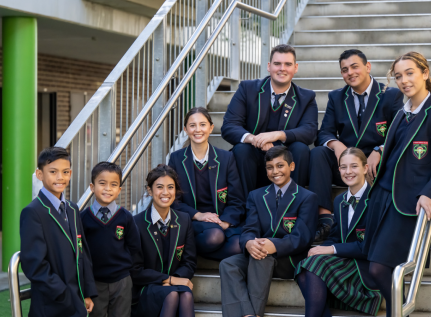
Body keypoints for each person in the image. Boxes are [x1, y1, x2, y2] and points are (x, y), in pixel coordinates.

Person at [363, 52, 431, 317]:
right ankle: (398, 312)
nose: (404, 80)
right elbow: (397, 146)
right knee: (375, 269)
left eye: (410, 73)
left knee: (380, 269)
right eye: (398, 76)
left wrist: (429, 193)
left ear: (425, 73)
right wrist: (378, 148)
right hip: (382, 198)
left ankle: (397, 312)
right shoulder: (402, 113)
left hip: (407, 202)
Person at [310, 49, 404, 242]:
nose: (350, 73)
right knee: (318, 153)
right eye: (344, 70)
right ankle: (325, 218)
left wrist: (380, 150)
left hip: (375, 165)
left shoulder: (391, 95)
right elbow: (324, 132)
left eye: (354, 67)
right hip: (345, 162)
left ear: (367, 67)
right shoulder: (336, 97)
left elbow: (400, 133)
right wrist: (336, 145)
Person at [219, 146, 318, 317]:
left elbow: (302, 237)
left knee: (261, 257)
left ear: (292, 166)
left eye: (280, 166)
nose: (275, 171)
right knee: (228, 264)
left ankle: (256, 313)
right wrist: (249, 242)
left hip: (288, 258)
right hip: (260, 252)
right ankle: (248, 315)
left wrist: (274, 245)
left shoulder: (307, 197)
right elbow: (249, 229)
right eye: (270, 167)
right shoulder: (256, 196)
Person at [221, 44, 318, 197]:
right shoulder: (247, 89)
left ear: (295, 67)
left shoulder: (306, 97)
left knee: (301, 149)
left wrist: (278, 135)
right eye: (277, 63)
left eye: (288, 64)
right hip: (253, 156)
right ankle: (247, 208)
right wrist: (254, 139)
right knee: (241, 149)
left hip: (285, 158)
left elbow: (310, 131)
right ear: (269, 66)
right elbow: (229, 126)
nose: (282, 68)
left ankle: (294, 205)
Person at [295, 148, 381, 316]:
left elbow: (371, 247)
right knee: (303, 265)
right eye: (343, 167)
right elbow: (335, 237)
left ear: (365, 168)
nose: (348, 172)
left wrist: (330, 249)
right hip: (344, 261)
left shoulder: (376, 199)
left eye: (354, 166)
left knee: (314, 266)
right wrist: (318, 250)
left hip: (364, 266)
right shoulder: (339, 200)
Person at [20, 147, 96, 317]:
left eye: (65, 172)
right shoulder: (33, 212)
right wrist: (64, 295)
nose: (60, 177)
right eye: (53, 172)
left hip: (77, 298)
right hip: (53, 303)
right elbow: (35, 265)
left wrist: (87, 292)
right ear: (39, 174)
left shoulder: (72, 208)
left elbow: (82, 251)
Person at [169, 107, 245, 261]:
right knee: (214, 237)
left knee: (239, 244)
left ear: (211, 128)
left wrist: (224, 222)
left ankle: (189, 252)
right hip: (192, 221)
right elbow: (173, 200)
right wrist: (199, 215)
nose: (198, 130)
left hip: (220, 221)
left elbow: (237, 199)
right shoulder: (176, 159)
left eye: (203, 125)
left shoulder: (226, 158)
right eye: (192, 125)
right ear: (185, 129)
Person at [130, 164, 197, 317]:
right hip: (146, 288)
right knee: (172, 294)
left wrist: (174, 281)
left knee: (185, 294)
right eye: (159, 187)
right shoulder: (136, 223)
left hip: (174, 285)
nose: (165, 192)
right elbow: (135, 270)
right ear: (149, 190)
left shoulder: (184, 220)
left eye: (170, 187)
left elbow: (189, 262)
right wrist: (168, 279)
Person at [80, 162, 141, 317]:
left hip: (121, 281)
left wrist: (125, 271)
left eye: (113, 184)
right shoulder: (83, 218)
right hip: (95, 282)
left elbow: (134, 247)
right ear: (92, 187)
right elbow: (81, 252)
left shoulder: (125, 217)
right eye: (102, 183)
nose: (108, 188)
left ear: (119, 190)